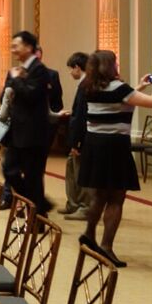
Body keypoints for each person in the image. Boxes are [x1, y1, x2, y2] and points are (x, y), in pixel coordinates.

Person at [77, 50, 152, 267]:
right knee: (116, 198)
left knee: (99, 194)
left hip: (94, 144)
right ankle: (106, 246)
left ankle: (89, 234)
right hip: (114, 146)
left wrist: (140, 87)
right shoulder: (119, 88)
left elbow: (120, 99)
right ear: (111, 66)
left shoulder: (88, 86)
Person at [0, 31, 53, 214]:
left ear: (29, 47)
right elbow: (4, 95)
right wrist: (12, 82)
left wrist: (15, 80)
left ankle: (38, 217)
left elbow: (31, 95)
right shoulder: (15, 70)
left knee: (33, 177)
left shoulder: (40, 70)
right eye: (12, 45)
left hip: (33, 133)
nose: (13, 49)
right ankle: (39, 204)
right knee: (9, 170)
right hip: (15, 132)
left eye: (17, 45)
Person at [59, 51, 92, 220]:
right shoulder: (83, 83)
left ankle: (84, 207)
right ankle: (73, 204)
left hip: (82, 139)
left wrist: (76, 143)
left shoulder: (86, 84)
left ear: (77, 68)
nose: (70, 72)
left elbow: (82, 117)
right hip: (78, 137)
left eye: (70, 69)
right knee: (72, 171)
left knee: (80, 173)